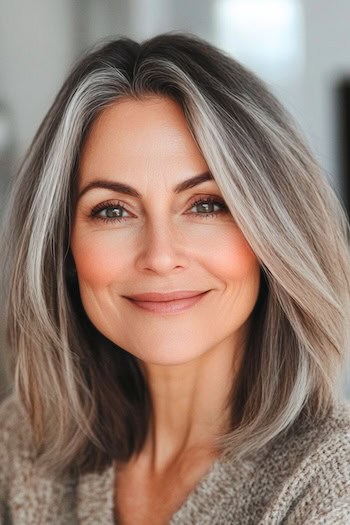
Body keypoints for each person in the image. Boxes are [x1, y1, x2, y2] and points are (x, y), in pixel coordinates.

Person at [0, 32, 350, 525]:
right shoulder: (20, 446)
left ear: (274, 231)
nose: (160, 256)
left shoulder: (334, 482)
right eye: (112, 210)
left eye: (206, 204)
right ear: (63, 247)